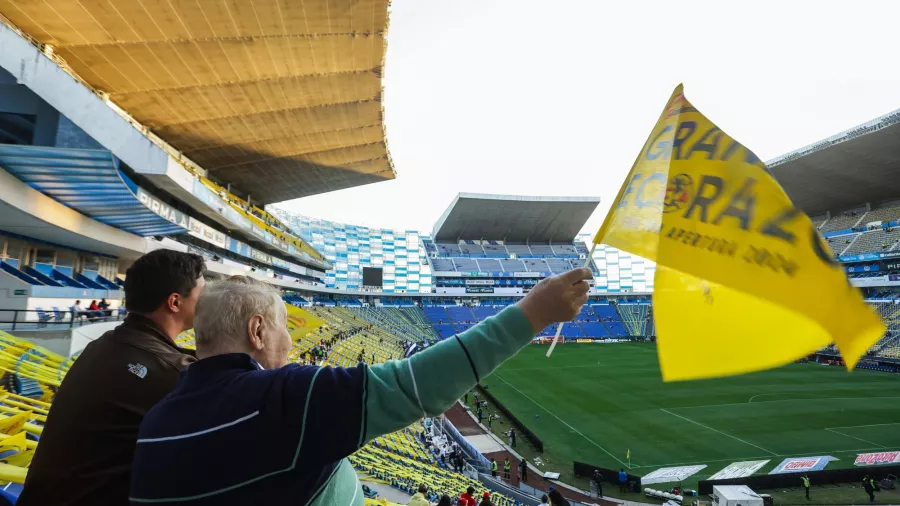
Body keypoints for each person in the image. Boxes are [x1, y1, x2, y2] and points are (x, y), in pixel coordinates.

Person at [130, 269, 592, 505]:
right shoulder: (279, 398)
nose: (290, 344)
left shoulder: (155, 424)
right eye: (282, 328)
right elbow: (418, 387)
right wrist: (534, 312)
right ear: (256, 331)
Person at [18, 250, 206, 506]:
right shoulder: (168, 370)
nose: (206, 303)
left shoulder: (103, 345)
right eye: (202, 295)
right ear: (174, 302)